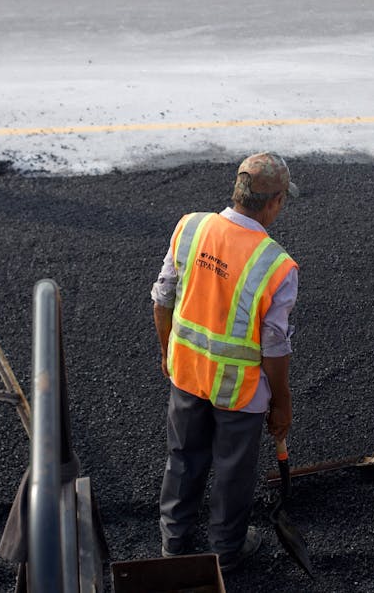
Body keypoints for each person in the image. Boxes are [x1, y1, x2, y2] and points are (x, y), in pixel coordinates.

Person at [151, 153, 300, 573]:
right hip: (238, 392)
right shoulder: (275, 264)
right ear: (274, 202)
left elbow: (163, 297)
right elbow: (274, 346)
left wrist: (168, 351)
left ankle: (174, 542)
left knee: (182, 456)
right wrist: (282, 403)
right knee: (233, 472)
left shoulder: (190, 227)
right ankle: (226, 550)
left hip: (187, 374)